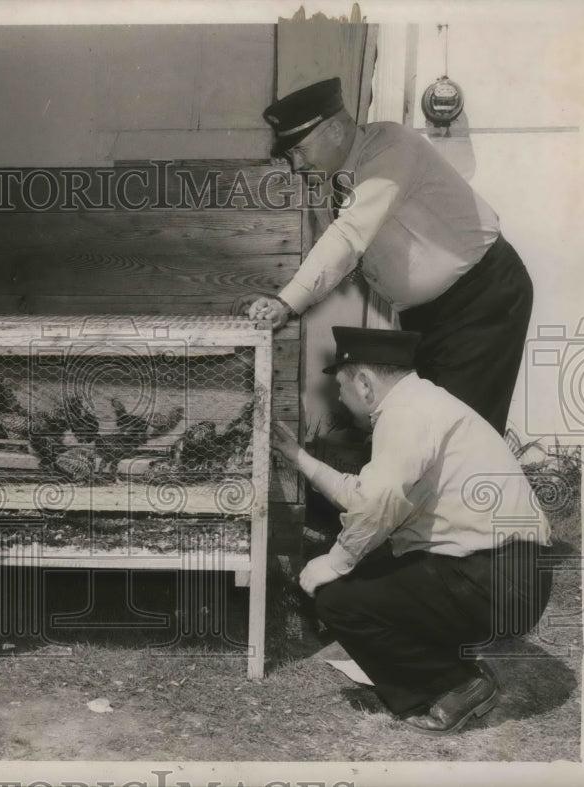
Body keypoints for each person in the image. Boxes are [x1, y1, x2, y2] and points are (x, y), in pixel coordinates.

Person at [271, 326, 552, 735]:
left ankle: (454, 684)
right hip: (507, 575)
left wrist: (335, 562)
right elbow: (364, 495)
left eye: (341, 386)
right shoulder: (423, 403)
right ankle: (447, 661)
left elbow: (377, 502)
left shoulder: (405, 414)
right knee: (373, 569)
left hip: (495, 580)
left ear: (364, 383)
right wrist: (297, 456)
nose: (339, 397)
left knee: (338, 600)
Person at [235, 77, 533, 435]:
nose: (296, 165)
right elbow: (341, 256)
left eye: (300, 150)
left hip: (481, 301)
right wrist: (275, 300)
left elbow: (348, 237)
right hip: (428, 317)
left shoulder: (391, 147)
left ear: (334, 131)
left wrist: (286, 303)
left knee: (457, 436)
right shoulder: (332, 181)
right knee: (427, 434)